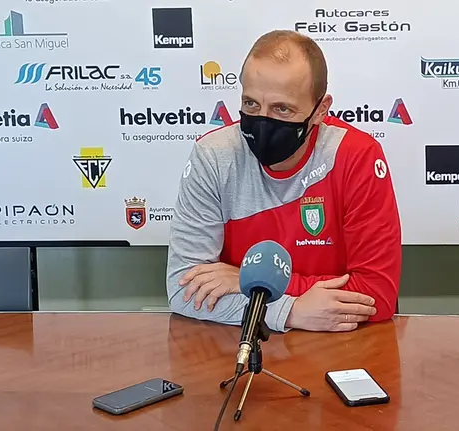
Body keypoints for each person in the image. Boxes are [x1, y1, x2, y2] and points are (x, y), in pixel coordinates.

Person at [166, 30, 402, 332]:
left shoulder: (357, 156)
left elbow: (376, 295)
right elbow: (184, 290)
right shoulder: (213, 156)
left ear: (320, 110)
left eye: (282, 109)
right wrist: (290, 311)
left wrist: (243, 281)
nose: (263, 121)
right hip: (241, 345)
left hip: (340, 345)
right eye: (251, 104)